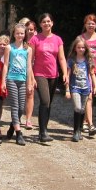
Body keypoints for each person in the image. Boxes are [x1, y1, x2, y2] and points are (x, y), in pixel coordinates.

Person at [30, 13, 68, 143]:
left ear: (52, 23)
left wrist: (65, 73)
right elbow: (30, 59)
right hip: (39, 74)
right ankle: (43, 132)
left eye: (48, 21)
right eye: (44, 22)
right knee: (45, 101)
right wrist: (31, 77)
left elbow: (61, 58)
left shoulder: (58, 39)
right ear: (40, 24)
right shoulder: (35, 39)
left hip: (54, 74)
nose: (46, 24)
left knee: (49, 103)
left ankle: (44, 129)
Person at [2, 23, 32, 146]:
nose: (20, 35)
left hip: (23, 79)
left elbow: (29, 67)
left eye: (22, 33)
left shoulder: (28, 49)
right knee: (14, 106)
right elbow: (5, 64)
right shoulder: (9, 48)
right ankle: (19, 133)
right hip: (12, 79)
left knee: (21, 108)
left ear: (24, 35)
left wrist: (29, 83)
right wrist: (3, 80)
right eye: (17, 33)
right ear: (14, 34)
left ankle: (12, 127)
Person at [65, 36, 96, 142]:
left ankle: (79, 130)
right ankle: (75, 131)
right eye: (79, 47)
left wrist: (94, 87)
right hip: (75, 88)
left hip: (86, 88)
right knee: (78, 108)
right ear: (75, 48)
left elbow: (92, 74)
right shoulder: (71, 60)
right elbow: (68, 75)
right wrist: (67, 89)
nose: (81, 50)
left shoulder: (88, 60)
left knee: (82, 109)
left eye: (83, 48)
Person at [20, 18, 37, 130]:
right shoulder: (22, 42)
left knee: (30, 94)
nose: (30, 31)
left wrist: (33, 77)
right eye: (28, 29)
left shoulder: (38, 41)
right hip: (22, 70)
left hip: (35, 69)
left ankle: (28, 119)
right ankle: (18, 116)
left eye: (32, 29)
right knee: (21, 95)